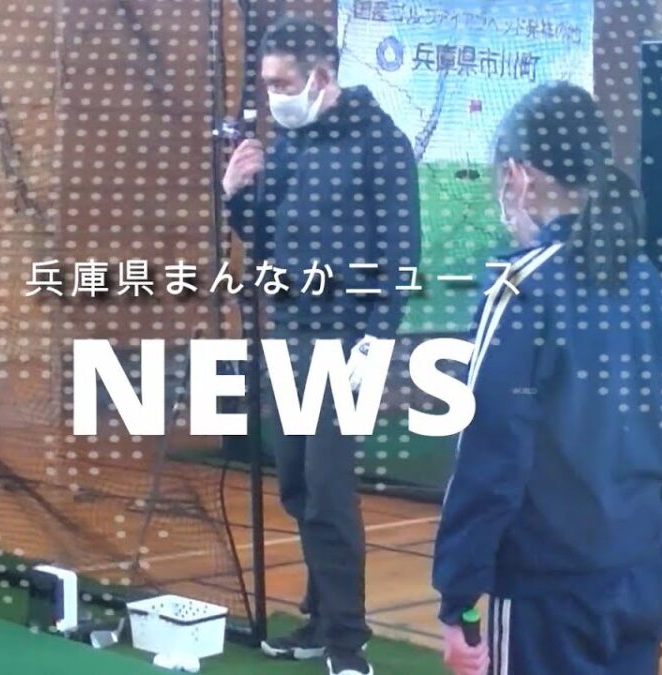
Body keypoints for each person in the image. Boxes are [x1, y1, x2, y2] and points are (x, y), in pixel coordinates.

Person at [433, 82, 662, 675]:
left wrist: (457, 598)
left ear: (518, 177)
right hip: (645, 567)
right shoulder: (650, 285)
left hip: (552, 589)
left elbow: (489, 454)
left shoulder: (521, 291)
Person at [223, 16, 421, 675]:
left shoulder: (380, 142)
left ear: (321, 75)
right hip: (293, 335)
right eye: (267, 84)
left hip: (348, 340)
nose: (273, 97)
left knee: (330, 489)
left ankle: (347, 641)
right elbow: (266, 239)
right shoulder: (290, 144)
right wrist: (236, 196)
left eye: (283, 83)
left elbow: (402, 252)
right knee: (299, 482)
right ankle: (319, 616)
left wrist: (377, 338)